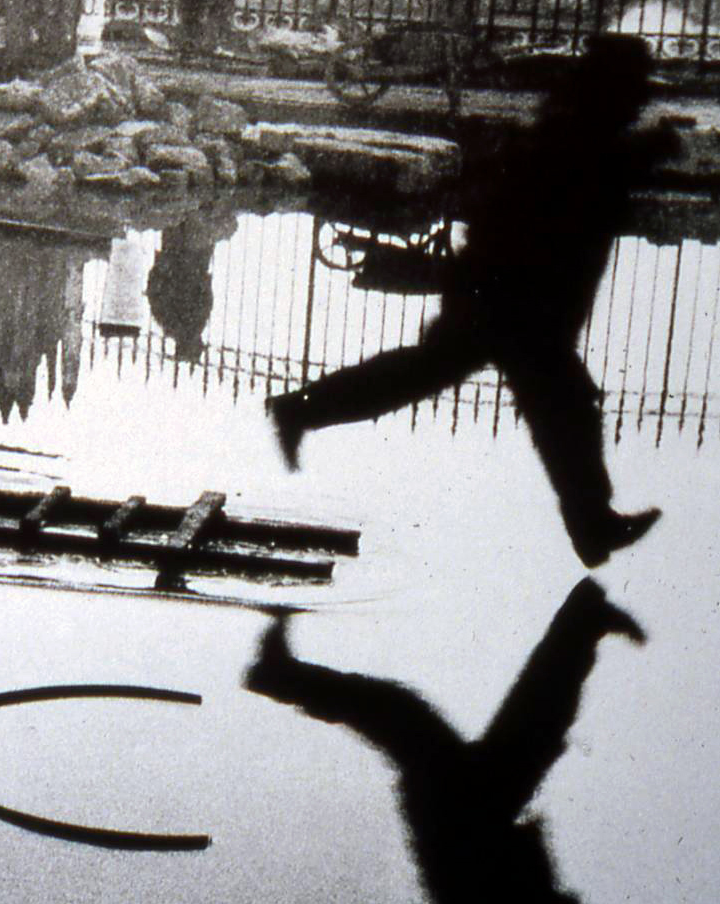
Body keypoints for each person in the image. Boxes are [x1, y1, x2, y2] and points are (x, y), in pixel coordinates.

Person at [267, 35, 676, 568]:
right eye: (634, 91)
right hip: (514, 302)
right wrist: (650, 152)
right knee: (557, 406)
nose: (639, 101)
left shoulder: (577, 127)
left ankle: (301, 410)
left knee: (518, 397)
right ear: (614, 91)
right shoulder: (578, 135)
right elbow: (586, 181)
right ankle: (591, 525)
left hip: (511, 299)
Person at [244, 582, 645, 904]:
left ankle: (278, 675)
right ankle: (582, 622)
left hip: (459, 813)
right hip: (473, 811)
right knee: (526, 721)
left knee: (426, 715)